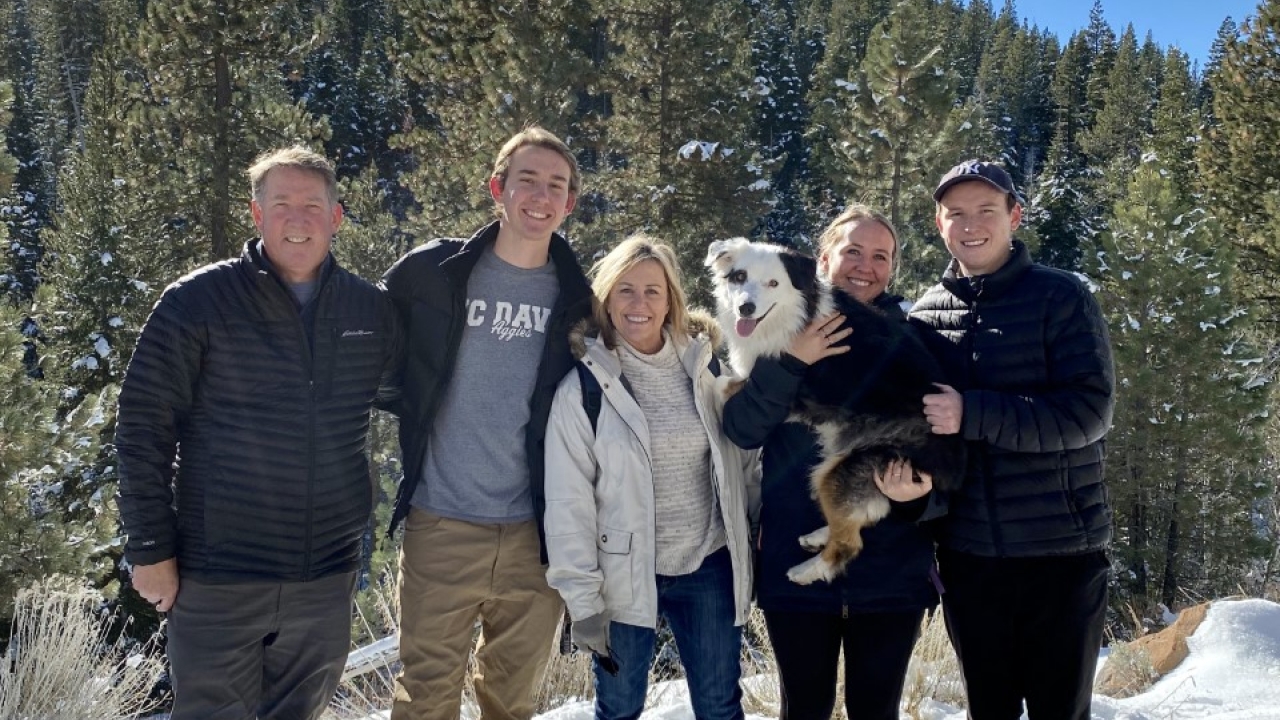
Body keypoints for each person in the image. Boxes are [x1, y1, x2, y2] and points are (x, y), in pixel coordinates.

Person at [116, 146, 403, 720]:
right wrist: (150, 549)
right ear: (257, 214)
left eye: (312, 206)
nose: (298, 220)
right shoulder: (197, 301)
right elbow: (143, 426)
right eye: (282, 205)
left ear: (336, 216)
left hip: (325, 575)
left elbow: (417, 405)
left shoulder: (369, 311)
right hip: (219, 573)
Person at [380, 126, 593, 720]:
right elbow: (368, 338)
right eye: (527, 180)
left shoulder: (580, 296)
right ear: (497, 188)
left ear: (569, 202)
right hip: (442, 522)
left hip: (535, 535)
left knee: (513, 700)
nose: (541, 195)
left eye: (557, 185)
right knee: (425, 697)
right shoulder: (433, 271)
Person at [909, 160, 1115, 719]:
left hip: (1060, 553)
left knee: (1059, 711)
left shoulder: (1061, 298)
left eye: (986, 211)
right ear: (939, 223)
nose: (971, 224)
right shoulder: (924, 316)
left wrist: (971, 413)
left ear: (1014, 217)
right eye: (957, 214)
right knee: (988, 710)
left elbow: (1088, 413)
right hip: (969, 557)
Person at [721, 205, 943, 720]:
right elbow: (743, 428)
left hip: (890, 575)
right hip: (791, 568)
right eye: (852, 252)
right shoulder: (771, 325)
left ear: (892, 268)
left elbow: (934, 446)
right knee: (802, 711)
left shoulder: (911, 338)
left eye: (880, 256)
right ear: (822, 260)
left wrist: (920, 498)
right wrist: (794, 361)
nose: (866, 266)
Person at [543, 235, 760, 720]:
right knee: (618, 708)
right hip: (622, 575)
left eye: (652, 292)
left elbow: (742, 466)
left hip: (708, 563)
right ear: (605, 297)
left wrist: (755, 544)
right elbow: (567, 504)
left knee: (720, 705)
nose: (639, 304)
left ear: (671, 301)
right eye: (625, 290)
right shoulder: (583, 388)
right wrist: (583, 600)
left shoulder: (707, 369)